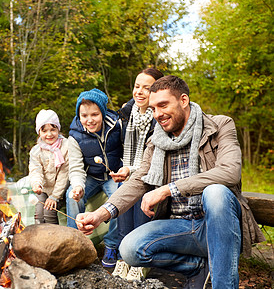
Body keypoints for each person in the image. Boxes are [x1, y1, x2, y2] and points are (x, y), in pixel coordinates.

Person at [76, 76, 265, 288]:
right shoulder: (156, 140)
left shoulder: (220, 125)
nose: (157, 114)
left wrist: (168, 189)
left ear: (183, 100)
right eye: (153, 108)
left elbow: (230, 172)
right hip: (179, 226)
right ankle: (197, 267)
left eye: (163, 105)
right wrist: (99, 214)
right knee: (129, 248)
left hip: (217, 224)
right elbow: (138, 180)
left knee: (216, 193)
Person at [110, 67, 164, 281]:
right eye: (137, 86)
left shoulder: (159, 118)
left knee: (140, 217)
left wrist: (131, 170)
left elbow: (155, 159)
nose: (139, 92)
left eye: (147, 88)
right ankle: (123, 259)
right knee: (123, 212)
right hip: (127, 172)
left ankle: (141, 262)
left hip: (151, 176)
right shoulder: (126, 113)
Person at [66, 88, 123, 268]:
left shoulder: (117, 126)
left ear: (103, 112)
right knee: (72, 196)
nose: (89, 120)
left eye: (94, 114)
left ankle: (112, 245)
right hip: (91, 176)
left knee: (119, 198)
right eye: (84, 115)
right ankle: (75, 243)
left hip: (113, 175)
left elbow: (127, 152)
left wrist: (123, 170)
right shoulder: (75, 136)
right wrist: (78, 186)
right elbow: (76, 168)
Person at [29, 109, 69, 224]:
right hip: (45, 189)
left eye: (53, 129)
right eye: (44, 131)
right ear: (39, 132)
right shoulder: (36, 151)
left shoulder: (66, 147)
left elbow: (64, 174)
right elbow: (35, 170)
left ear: (58, 129)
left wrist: (55, 196)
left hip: (61, 191)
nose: (49, 134)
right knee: (39, 212)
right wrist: (37, 184)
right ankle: (40, 237)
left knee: (49, 211)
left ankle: (53, 239)